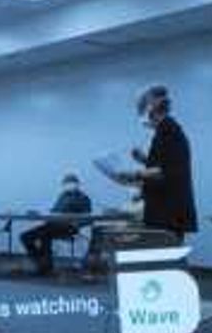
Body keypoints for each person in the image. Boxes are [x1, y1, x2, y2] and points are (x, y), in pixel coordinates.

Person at [99, 82, 200, 239]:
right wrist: (144, 160)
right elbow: (168, 164)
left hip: (167, 212)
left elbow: (164, 172)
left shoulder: (168, 129)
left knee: (163, 257)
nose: (141, 116)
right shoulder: (167, 130)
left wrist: (132, 174)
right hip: (168, 209)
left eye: (141, 109)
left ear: (150, 108)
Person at [25, 168, 96, 273]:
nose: (70, 184)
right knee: (26, 237)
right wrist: (38, 213)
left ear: (78, 184)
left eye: (72, 182)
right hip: (53, 224)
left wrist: (76, 224)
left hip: (69, 227)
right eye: (67, 182)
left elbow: (88, 218)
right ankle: (42, 263)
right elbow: (55, 211)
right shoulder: (62, 196)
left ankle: (45, 267)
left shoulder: (83, 198)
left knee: (44, 236)